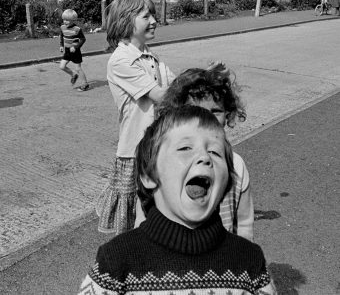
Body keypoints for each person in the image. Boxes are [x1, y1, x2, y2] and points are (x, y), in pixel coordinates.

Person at [79, 105, 277, 295]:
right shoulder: (116, 262)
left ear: (227, 183)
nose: (204, 157)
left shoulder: (249, 261)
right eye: (185, 148)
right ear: (149, 176)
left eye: (215, 153)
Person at [95, 0, 176, 235]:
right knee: (141, 217)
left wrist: (203, 78)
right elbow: (162, 95)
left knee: (160, 210)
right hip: (136, 149)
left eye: (153, 14)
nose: (154, 20)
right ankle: (136, 263)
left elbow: (174, 84)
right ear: (126, 21)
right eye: (146, 16)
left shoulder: (150, 55)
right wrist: (193, 84)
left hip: (159, 143)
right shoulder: (121, 60)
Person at [153, 67, 254, 241]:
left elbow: (244, 223)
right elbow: (144, 219)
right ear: (177, 113)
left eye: (215, 111)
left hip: (223, 261)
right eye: (195, 110)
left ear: (228, 114)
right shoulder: (164, 163)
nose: (206, 118)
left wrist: (246, 257)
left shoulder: (237, 165)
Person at [59, 9, 89, 92]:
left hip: (75, 51)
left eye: (67, 20)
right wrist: (61, 45)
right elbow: (62, 36)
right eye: (64, 19)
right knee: (62, 66)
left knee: (78, 68)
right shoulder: (62, 27)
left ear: (73, 20)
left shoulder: (77, 29)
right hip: (67, 51)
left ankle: (85, 84)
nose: (65, 22)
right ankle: (73, 74)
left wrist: (75, 47)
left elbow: (83, 39)